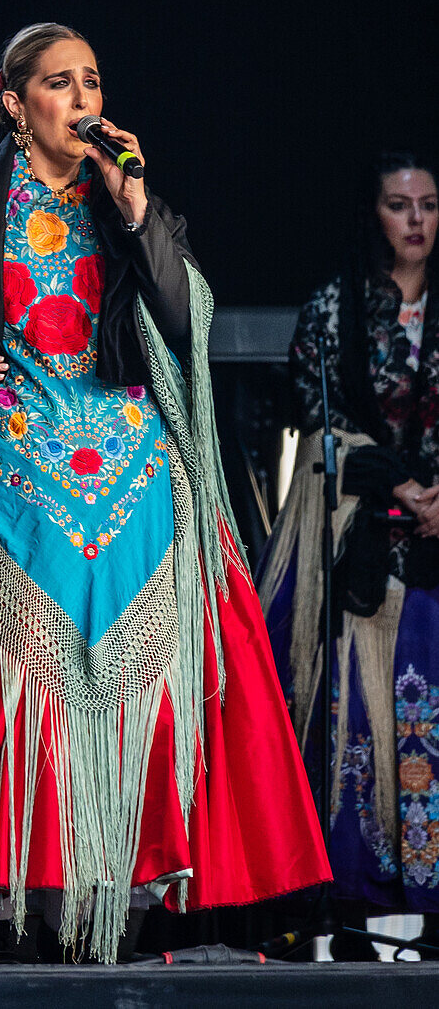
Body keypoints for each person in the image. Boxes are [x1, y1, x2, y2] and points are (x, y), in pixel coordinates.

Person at [0, 23, 330, 963]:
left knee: (173, 548)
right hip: (3, 457)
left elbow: (182, 318)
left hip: (120, 453)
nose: (83, 99)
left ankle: (119, 890)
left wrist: (134, 210)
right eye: (59, 83)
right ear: (15, 106)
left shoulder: (124, 203)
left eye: (92, 80)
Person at [258, 151, 439, 955]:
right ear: (372, 215)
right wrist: (403, 489)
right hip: (363, 546)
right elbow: (317, 415)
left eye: (428, 205)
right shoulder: (333, 309)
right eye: (400, 205)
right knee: (356, 724)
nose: (416, 221)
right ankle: (352, 906)